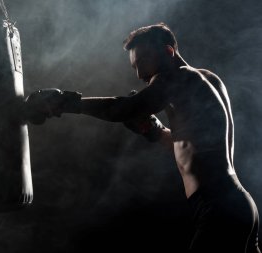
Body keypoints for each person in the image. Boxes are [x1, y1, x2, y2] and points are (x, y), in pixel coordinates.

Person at [24, 23, 260, 253]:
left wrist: (66, 102)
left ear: (169, 51)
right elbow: (191, 145)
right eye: (135, 67)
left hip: (219, 206)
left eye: (144, 62)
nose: (139, 74)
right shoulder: (206, 80)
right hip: (235, 204)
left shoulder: (177, 77)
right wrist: (154, 131)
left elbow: (123, 109)